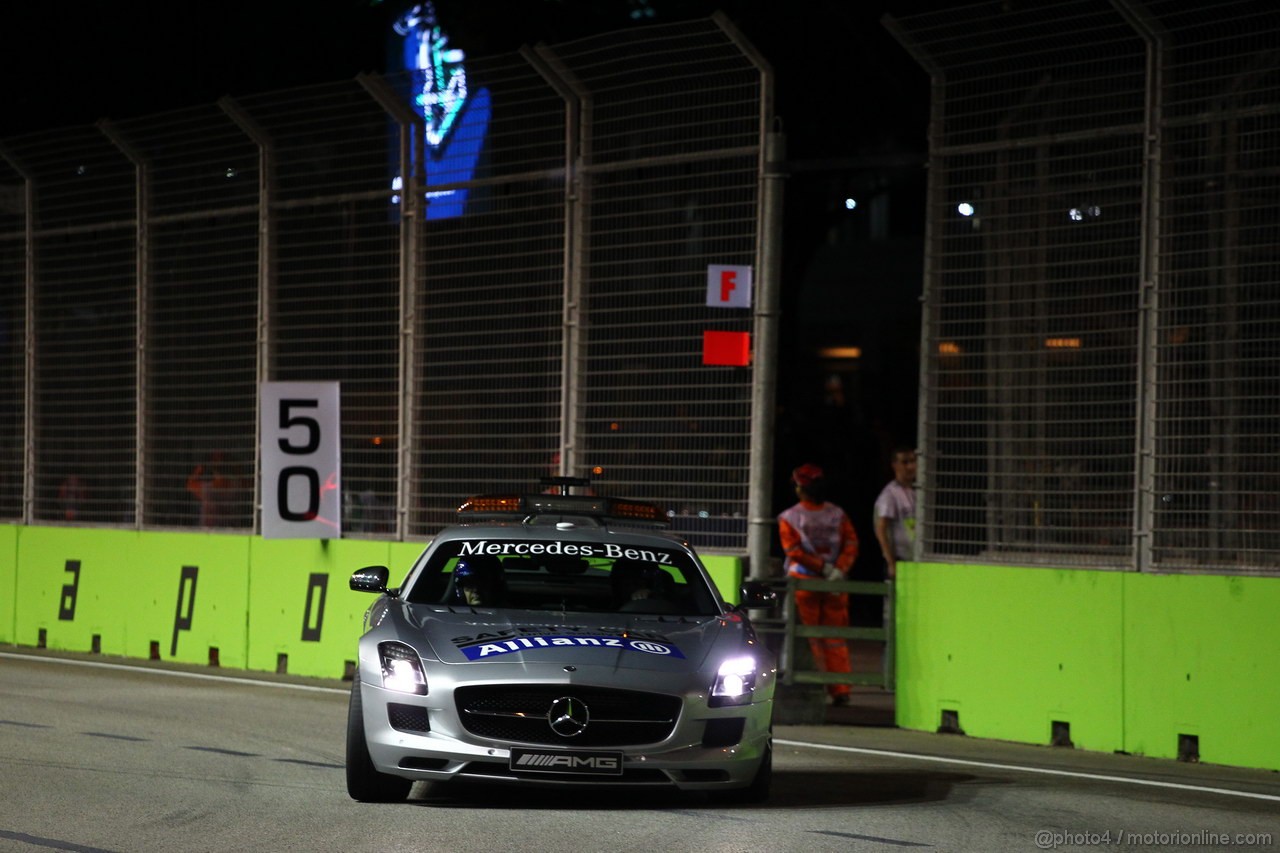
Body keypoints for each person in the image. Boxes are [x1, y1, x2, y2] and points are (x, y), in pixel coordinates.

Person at [777, 463, 858, 706]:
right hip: (833, 584)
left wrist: (821, 568)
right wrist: (838, 570)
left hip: (802, 584)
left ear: (800, 487)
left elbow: (793, 550)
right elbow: (852, 544)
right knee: (834, 637)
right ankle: (840, 689)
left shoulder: (789, 517)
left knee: (806, 638)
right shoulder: (838, 514)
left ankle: (813, 687)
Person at [874, 446, 917, 580]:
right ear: (894, 465)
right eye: (905, 462)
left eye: (913, 461)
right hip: (899, 562)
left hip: (916, 561)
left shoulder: (919, 491)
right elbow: (881, 529)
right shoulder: (890, 494)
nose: (910, 467)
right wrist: (891, 563)